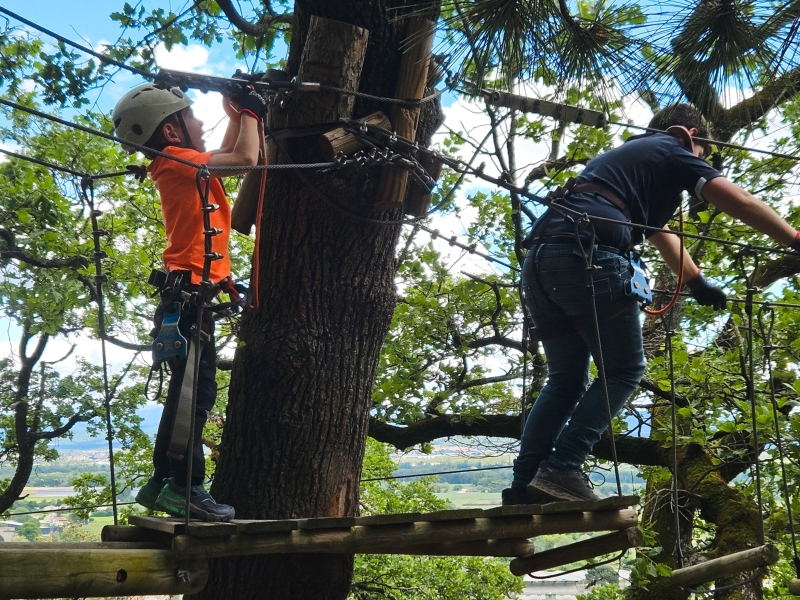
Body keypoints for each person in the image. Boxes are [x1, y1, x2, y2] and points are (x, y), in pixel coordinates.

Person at [503, 103, 800, 505]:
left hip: (543, 263)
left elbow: (660, 233)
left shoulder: (625, 166)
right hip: (589, 258)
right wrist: (794, 240)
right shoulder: (670, 148)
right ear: (689, 135)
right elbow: (740, 201)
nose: (699, 163)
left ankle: (526, 484)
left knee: (566, 379)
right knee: (624, 369)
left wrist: (694, 280)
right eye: (702, 155)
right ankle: (561, 467)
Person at [112, 80, 265, 521]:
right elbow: (242, 160)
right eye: (192, 117)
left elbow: (227, 153)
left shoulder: (181, 162)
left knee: (187, 394)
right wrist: (252, 116)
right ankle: (185, 487)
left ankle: (163, 481)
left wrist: (236, 114)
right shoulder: (177, 160)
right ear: (174, 133)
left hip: (190, 296)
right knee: (194, 398)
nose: (201, 122)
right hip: (189, 298)